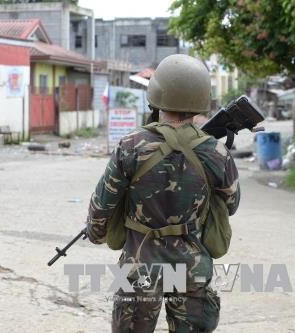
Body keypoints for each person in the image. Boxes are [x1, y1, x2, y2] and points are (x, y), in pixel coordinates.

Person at [85, 54, 240, 333]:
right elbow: (232, 203)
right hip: (192, 267)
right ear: (201, 98)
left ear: (155, 95)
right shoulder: (216, 151)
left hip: (139, 266)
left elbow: (102, 205)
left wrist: (97, 234)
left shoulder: (131, 145)